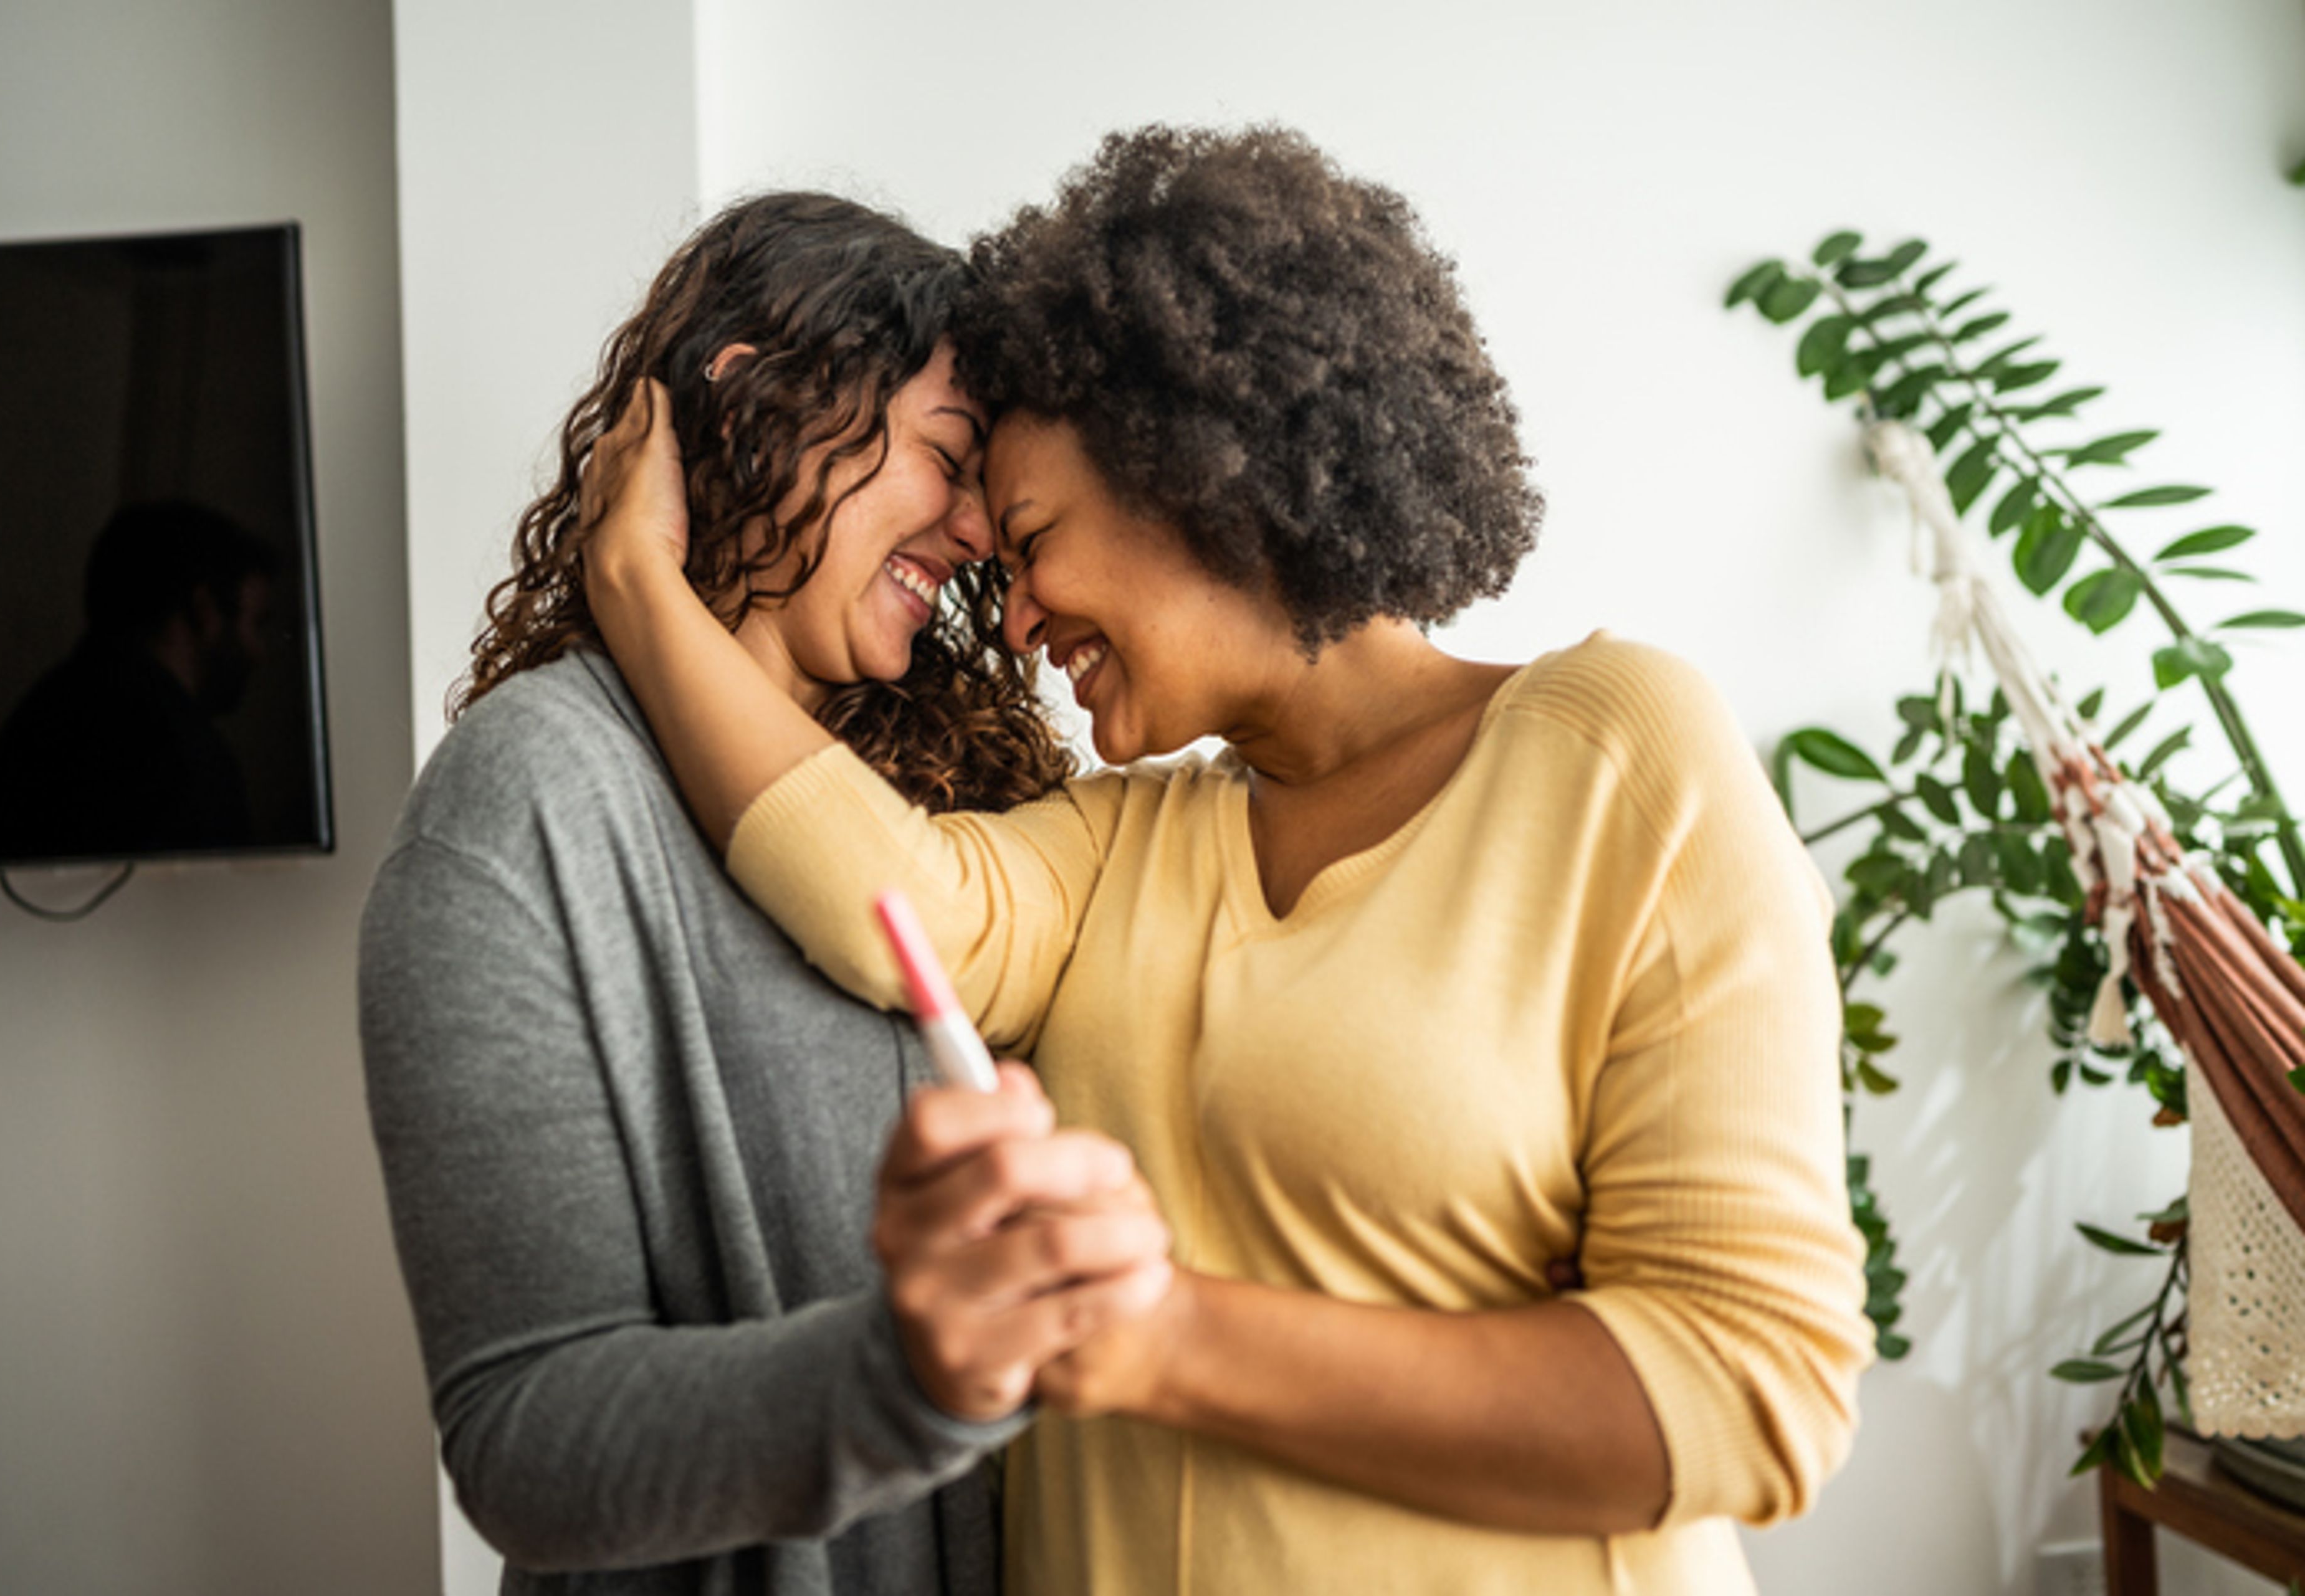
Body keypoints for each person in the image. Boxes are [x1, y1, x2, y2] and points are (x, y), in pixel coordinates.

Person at [583, 128, 1873, 1595]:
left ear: (1195, 474)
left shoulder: (1616, 760)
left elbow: (1748, 1389)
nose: (1012, 625)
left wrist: (1165, 1339)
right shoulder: (1129, 843)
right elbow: (890, 908)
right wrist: (637, 586)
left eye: (1032, 543)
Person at [356, 192, 1172, 1596]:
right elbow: (524, 1441)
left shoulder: (974, 802)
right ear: (755, 407)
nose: (981, 532)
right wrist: (910, 1375)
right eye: (943, 459)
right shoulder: (527, 809)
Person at [0, 498, 274, 858]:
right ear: (204, 610)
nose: (260, 653)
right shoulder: (188, 759)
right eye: (256, 624)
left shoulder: (35, 721)